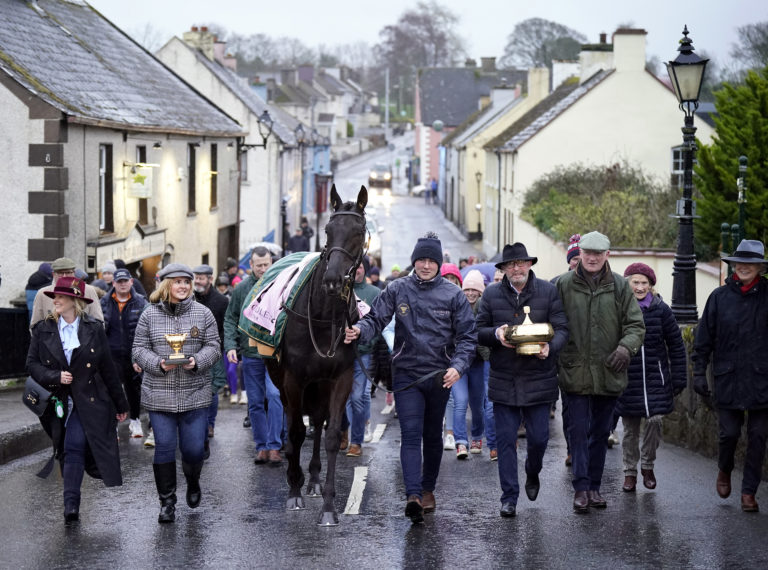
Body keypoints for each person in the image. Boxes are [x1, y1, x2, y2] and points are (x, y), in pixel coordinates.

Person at [344, 232, 477, 524]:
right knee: (411, 434)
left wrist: (458, 366)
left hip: (440, 376)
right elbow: (375, 319)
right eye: (421, 259)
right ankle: (413, 496)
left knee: (432, 436)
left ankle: (428, 489)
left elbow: (468, 337)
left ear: (439, 263)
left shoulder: (453, 295)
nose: (426, 265)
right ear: (414, 261)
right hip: (406, 375)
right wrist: (359, 331)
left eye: (432, 260)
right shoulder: (397, 288)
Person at [26, 276, 129, 523]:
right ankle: (72, 502)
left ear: (75, 301)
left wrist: (121, 404)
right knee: (65, 448)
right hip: (55, 402)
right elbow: (31, 364)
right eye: (54, 296)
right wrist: (55, 376)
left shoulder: (93, 328)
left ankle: (70, 506)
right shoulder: (43, 329)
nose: (55, 300)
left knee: (73, 445)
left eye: (61, 297)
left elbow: (107, 369)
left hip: (89, 400)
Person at [555, 231, 645, 513]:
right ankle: (581, 488)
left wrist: (625, 348)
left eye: (598, 253)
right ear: (579, 254)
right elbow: (550, 321)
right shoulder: (562, 284)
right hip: (574, 370)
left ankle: (594, 486)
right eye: (587, 252)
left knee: (601, 431)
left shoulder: (620, 286)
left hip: (609, 369)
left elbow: (635, 325)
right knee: (578, 430)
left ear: (608, 255)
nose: (592, 258)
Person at [477, 243, 568, 517]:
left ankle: (532, 470)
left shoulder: (548, 291)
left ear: (529, 265)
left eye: (521, 263)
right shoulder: (491, 295)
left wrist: (550, 348)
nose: (516, 268)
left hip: (539, 379)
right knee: (505, 441)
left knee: (539, 439)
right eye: (511, 264)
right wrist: (496, 334)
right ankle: (509, 497)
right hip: (503, 378)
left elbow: (562, 328)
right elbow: (477, 330)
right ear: (503, 269)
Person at [132, 263, 221, 523]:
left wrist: (196, 361)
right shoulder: (149, 315)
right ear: (165, 284)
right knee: (165, 448)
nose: (182, 286)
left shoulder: (203, 313)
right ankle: (167, 502)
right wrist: (158, 364)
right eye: (177, 281)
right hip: (159, 394)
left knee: (193, 451)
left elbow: (214, 347)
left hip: (195, 394)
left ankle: (193, 482)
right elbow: (138, 349)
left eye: (186, 282)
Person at [693, 239, 768, 513]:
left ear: (760, 267)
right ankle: (724, 469)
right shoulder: (719, 298)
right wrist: (699, 372)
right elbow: (703, 340)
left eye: (751, 262)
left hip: (762, 380)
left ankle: (749, 491)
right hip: (729, 378)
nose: (745, 267)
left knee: (759, 436)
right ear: (734, 265)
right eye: (740, 262)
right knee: (729, 434)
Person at [615, 263, 686, 493]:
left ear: (651, 285)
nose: (640, 287)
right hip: (628, 380)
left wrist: (679, 377)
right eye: (635, 282)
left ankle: (647, 465)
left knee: (655, 421)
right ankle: (629, 472)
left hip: (656, 378)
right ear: (627, 284)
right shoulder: (619, 309)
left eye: (644, 283)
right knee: (630, 430)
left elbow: (676, 344)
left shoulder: (661, 309)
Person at [224, 247, 284, 465]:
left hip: (275, 353)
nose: (263, 268)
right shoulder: (241, 289)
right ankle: (262, 447)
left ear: (271, 262)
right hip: (250, 353)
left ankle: (275, 445)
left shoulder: (281, 285)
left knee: (275, 396)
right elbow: (230, 318)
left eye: (266, 264)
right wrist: (230, 346)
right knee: (256, 402)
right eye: (258, 265)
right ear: (251, 265)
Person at [101, 268, 148, 439]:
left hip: (132, 354)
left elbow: (145, 330)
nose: (122, 284)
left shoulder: (141, 302)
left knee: (133, 389)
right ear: (113, 283)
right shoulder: (104, 302)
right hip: (110, 354)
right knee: (111, 389)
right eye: (119, 282)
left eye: (125, 281)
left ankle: (135, 421)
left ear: (131, 282)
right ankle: (112, 425)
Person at [341, 258, 381, 457]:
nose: (355, 270)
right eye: (352, 266)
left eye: (359, 266)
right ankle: (346, 433)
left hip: (362, 354)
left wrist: (368, 343)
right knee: (345, 397)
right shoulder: (340, 290)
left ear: (365, 268)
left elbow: (380, 323)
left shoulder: (374, 293)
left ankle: (356, 441)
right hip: (341, 354)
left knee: (358, 396)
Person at [453, 270, 494, 459]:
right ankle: (461, 442)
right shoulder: (455, 306)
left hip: (478, 362)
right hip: (459, 364)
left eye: (474, 290)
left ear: (480, 291)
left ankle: (477, 437)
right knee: (460, 402)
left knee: (478, 405)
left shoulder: (485, 308)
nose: (470, 293)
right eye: (466, 289)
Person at [192, 264, 231, 456]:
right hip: (192, 350)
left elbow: (226, 326)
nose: (197, 281)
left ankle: (210, 424)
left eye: (201, 278)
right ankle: (196, 423)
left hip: (214, 350)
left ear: (210, 279)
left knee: (213, 388)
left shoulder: (221, 301)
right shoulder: (189, 299)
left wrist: (218, 346)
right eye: (196, 277)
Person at [31, 257, 103, 326]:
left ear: (74, 273)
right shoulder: (43, 293)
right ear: (53, 274)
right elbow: (35, 325)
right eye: (60, 273)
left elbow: (98, 322)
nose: (64, 276)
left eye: (68, 272)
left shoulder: (88, 291)